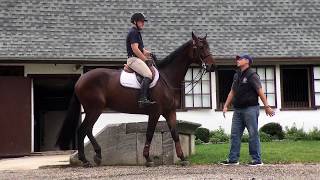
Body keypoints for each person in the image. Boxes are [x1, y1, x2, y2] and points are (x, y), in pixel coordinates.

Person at [220, 54, 275, 166]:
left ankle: (257, 160)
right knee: (235, 135)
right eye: (238, 59)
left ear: (247, 61)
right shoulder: (237, 75)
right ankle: (233, 159)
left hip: (251, 109)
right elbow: (232, 91)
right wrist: (226, 105)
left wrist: (267, 106)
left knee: (253, 134)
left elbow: (260, 91)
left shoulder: (252, 75)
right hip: (238, 110)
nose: (238, 61)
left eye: (240, 59)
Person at [126, 12, 156, 107]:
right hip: (133, 59)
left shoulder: (137, 33)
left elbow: (141, 50)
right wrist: (145, 60)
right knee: (148, 74)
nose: (143, 23)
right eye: (141, 21)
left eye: (143, 21)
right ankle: (142, 99)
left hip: (137, 58)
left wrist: (150, 54)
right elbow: (135, 49)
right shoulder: (134, 32)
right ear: (135, 22)